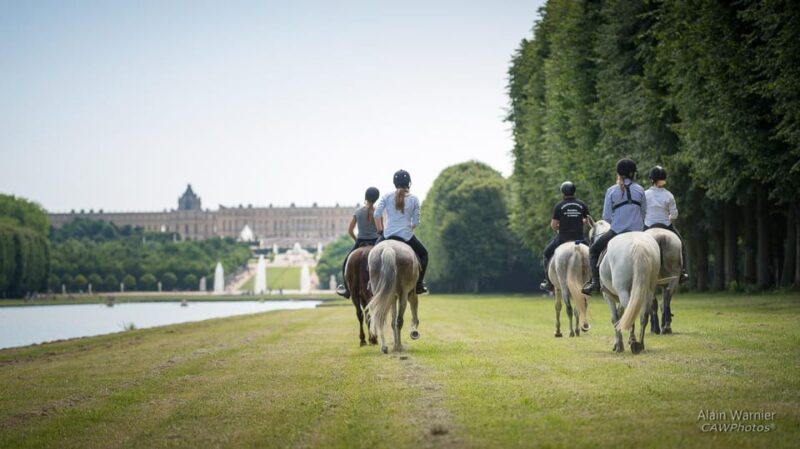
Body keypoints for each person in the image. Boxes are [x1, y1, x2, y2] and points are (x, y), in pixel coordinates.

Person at [582, 158, 647, 295]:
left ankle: (595, 283)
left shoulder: (611, 191)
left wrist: (618, 220)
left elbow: (606, 216)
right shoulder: (640, 189)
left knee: (593, 250)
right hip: (639, 232)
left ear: (618, 174)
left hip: (617, 231)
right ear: (633, 174)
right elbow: (644, 212)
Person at [374, 169, 428, 294]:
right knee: (424, 255)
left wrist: (381, 231)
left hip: (388, 235)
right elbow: (415, 222)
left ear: (394, 183)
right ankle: (419, 284)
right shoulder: (414, 199)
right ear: (409, 183)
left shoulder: (387, 196)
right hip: (406, 236)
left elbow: (377, 215)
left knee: (372, 255)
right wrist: (407, 228)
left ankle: (370, 282)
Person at [540, 181, 590, 292]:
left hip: (562, 239)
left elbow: (553, 225)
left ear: (563, 192)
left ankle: (549, 283)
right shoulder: (582, 204)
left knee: (546, 254)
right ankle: (595, 281)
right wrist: (579, 222)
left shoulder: (559, 206)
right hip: (579, 240)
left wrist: (561, 225)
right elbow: (587, 220)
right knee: (593, 254)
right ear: (574, 191)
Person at [644, 166, 689, 283]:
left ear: (651, 179)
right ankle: (683, 271)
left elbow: (641, 211)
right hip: (666, 225)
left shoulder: (645, 194)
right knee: (682, 244)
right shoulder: (669, 195)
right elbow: (674, 214)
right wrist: (668, 218)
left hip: (648, 225)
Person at [336, 187, 381, 298]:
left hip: (360, 241)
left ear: (366, 197)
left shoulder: (358, 212)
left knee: (346, 262)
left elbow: (350, 230)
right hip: (375, 242)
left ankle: (346, 289)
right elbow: (381, 230)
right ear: (376, 199)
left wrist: (356, 240)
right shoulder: (378, 212)